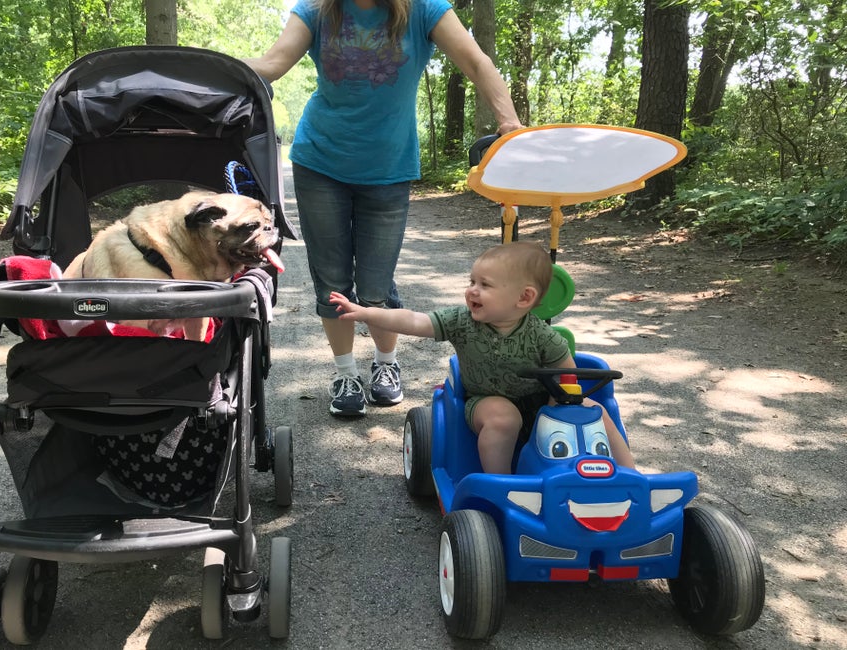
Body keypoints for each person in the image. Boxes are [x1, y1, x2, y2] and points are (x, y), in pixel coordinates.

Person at [244, 0, 524, 417]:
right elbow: (273, 61)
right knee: (333, 281)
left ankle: (386, 366)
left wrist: (510, 125)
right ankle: (345, 373)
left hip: (389, 170)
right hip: (320, 162)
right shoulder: (317, 10)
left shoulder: (425, 10)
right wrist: (200, 71)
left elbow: (475, 60)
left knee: (377, 284)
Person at [329, 241, 636, 474]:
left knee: (593, 409)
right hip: (484, 402)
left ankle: (629, 478)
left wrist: (564, 405)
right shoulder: (461, 322)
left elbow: (568, 381)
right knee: (503, 416)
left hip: (540, 404)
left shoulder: (544, 337)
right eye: (472, 281)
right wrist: (366, 313)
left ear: (524, 298)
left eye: (484, 285)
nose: (472, 291)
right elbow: (414, 320)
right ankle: (501, 488)